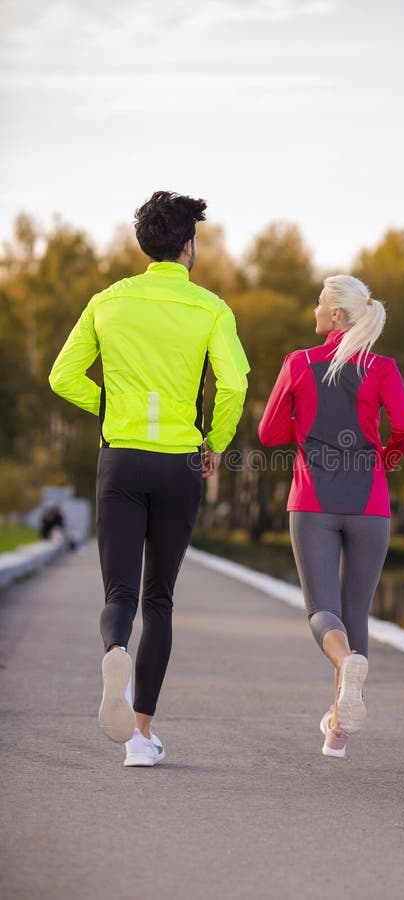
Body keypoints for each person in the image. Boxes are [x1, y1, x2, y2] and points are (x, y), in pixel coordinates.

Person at [49, 191, 250, 767]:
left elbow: (62, 376)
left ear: (146, 245)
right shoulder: (211, 308)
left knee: (118, 594)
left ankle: (115, 649)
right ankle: (139, 737)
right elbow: (233, 386)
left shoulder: (107, 302)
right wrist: (214, 439)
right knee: (159, 598)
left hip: (122, 458)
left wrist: (111, 409)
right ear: (188, 246)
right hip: (180, 461)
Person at [258, 275, 404, 759]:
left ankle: (346, 664)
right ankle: (338, 731)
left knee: (322, 612)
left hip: (313, 503)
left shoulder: (300, 362)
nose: (313, 310)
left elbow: (268, 433)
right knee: (356, 613)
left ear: (335, 316)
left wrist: (304, 423)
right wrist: (385, 460)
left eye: (318, 304)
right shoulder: (382, 367)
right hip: (370, 503)